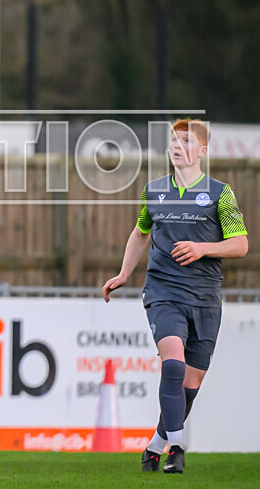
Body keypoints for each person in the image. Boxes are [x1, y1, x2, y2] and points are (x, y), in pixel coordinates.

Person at [102, 119, 248, 474]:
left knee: (190, 384)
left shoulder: (219, 193)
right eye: (173, 140)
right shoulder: (154, 191)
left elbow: (240, 245)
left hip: (205, 298)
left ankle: (156, 444)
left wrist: (202, 248)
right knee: (172, 363)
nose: (178, 145)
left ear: (202, 150)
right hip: (163, 291)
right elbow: (140, 234)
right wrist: (124, 273)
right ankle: (177, 449)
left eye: (186, 140)